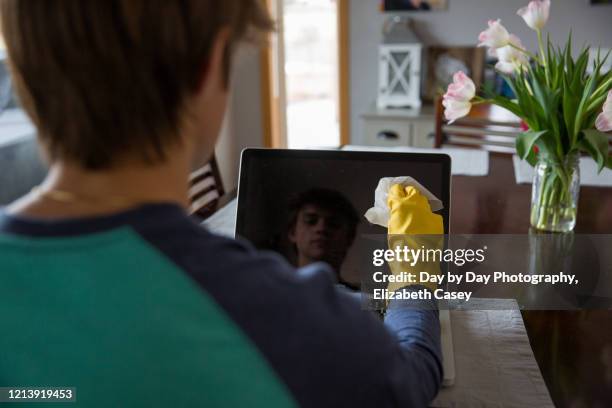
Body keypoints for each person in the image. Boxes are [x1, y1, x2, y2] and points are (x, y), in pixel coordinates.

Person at [0, 1, 443, 407]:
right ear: (208, 67)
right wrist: (414, 277)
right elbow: (408, 380)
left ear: (22, 66)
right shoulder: (279, 316)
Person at [287, 188, 359, 286]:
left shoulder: (364, 300)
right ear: (292, 232)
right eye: (311, 221)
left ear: (350, 237)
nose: (321, 229)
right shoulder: (271, 293)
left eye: (333, 224)